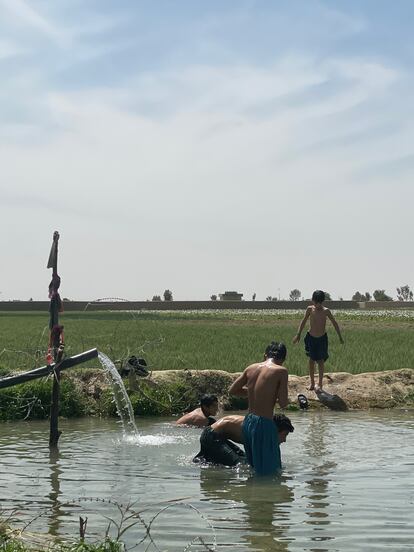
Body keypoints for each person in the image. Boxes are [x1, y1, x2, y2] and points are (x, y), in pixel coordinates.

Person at [228, 341, 289, 475]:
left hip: (248, 422)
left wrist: (254, 393)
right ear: (283, 359)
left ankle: (252, 494)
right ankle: (267, 495)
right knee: (270, 472)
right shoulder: (281, 371)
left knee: (254, 467)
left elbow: (232, 390)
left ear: (265, 355)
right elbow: (284, 403)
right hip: (264, 424)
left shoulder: (251, 368)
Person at [193, 414, 294, 469]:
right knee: (240, 464)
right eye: (284, 435)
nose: (284, 440)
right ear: (275, 431)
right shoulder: (259, 431)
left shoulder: (262, 427)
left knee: (244, 459)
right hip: (211, 436)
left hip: (216, 436)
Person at [293, 289, 344, 391]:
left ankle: (320, 384)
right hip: (311, 337)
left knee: (320, 361)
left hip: (322, 339)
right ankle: (312, 383)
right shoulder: (309, 309)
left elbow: (334, 323)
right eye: (316, 302)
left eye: (320, 303)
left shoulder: (326, 311)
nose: (318, 305)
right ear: (313, 301)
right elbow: (303, 322)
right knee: (311, 360)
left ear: (322, 302)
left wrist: (340, 336)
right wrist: (298, 334)